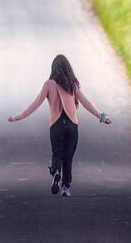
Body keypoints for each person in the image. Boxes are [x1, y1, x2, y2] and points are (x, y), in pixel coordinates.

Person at [7, 54, 112, 197]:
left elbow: (35, 104)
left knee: (57, 154)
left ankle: (56, 172)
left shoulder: (49, 84)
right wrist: (102, 116)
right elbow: (86, 103)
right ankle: (65, 187)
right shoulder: (72, 84)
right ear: (68, 68)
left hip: (56, 126)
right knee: (68, 157)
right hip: (72, 126)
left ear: (53, 69)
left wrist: (17, 117)